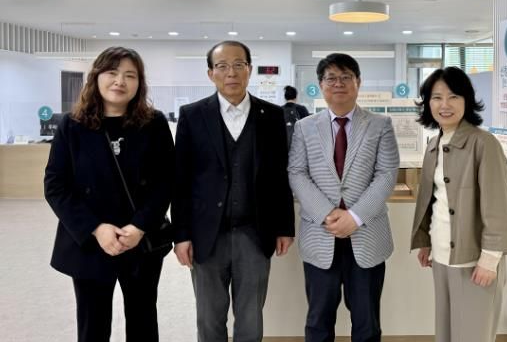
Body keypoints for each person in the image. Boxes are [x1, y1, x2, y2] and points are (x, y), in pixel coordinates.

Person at [44, 46, 174, 342]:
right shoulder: (72, 125)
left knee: (143, 321)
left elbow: (165, 181)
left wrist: (139, 226)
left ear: (139, 83)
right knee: (92, 325)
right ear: (96, 77)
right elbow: (55, 185)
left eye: (130, 75)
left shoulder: (153, 123)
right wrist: (96, 228)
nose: (120, 81)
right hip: (90, 241)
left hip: (139, 240)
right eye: (112, 73)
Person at [172, 40, 295, 341]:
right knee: (209, 318)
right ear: (210, 73)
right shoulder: (192, 115)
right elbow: (181, 180)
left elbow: (279, 176)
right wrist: (181, 235)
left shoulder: (271, 115)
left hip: (254, 232)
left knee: (251, 318)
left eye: (239, 65)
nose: (231, 73)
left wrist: (284, 227)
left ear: (249, 69)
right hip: (206, 235)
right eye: (222, 66)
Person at [288, 52, 400, 342]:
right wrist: (326, 213)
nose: (338, 84)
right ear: (321, 85)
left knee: (367, 323)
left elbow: (387, 174)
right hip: (320, 235)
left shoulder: (380, 125)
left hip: (367, 236)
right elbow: (297, 172)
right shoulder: (304, 127)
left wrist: (355, 216)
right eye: (331, 78)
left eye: (346, 77)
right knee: (318, 321)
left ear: (358, 82)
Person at [410, 66, 507, 342]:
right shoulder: (434, 144)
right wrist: (425, 241)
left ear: (467, 100)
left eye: (453, 97)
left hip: (474, 260)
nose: (445, 105)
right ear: (427, 103)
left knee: (473, 334)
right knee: (446, 332)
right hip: (441, 257)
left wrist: (490, 260)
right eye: (437, 97)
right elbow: (433, 201)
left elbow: (498, 206)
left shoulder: (483, 143)